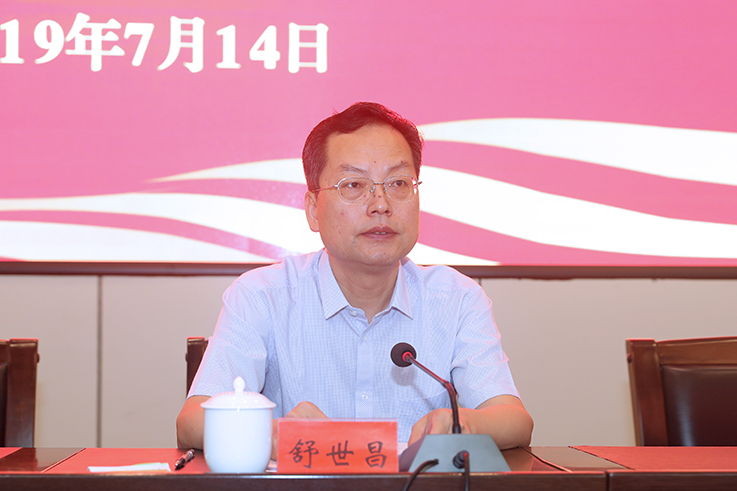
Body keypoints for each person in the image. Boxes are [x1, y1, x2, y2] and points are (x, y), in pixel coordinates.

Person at [176, 102, 533, 457]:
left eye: (398, 183)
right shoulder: (262, 296)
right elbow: (191, 421)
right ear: (313, 210)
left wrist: (463, 423)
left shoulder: (457, 299)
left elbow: (514, 419)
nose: (380, 204)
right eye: (353, 185)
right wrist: (274, 434)